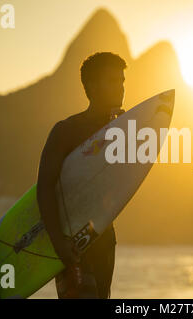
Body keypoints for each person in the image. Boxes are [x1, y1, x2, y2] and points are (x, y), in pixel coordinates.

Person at [37, 52, 127, 298]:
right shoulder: (66, 130)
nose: (120, 88)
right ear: (92, 86)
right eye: (112, 81)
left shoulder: (121, 132)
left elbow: (123, 186)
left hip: (105, 240)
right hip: (72, 242)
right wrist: (59, 244)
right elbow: (44, 188)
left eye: (122, 81)